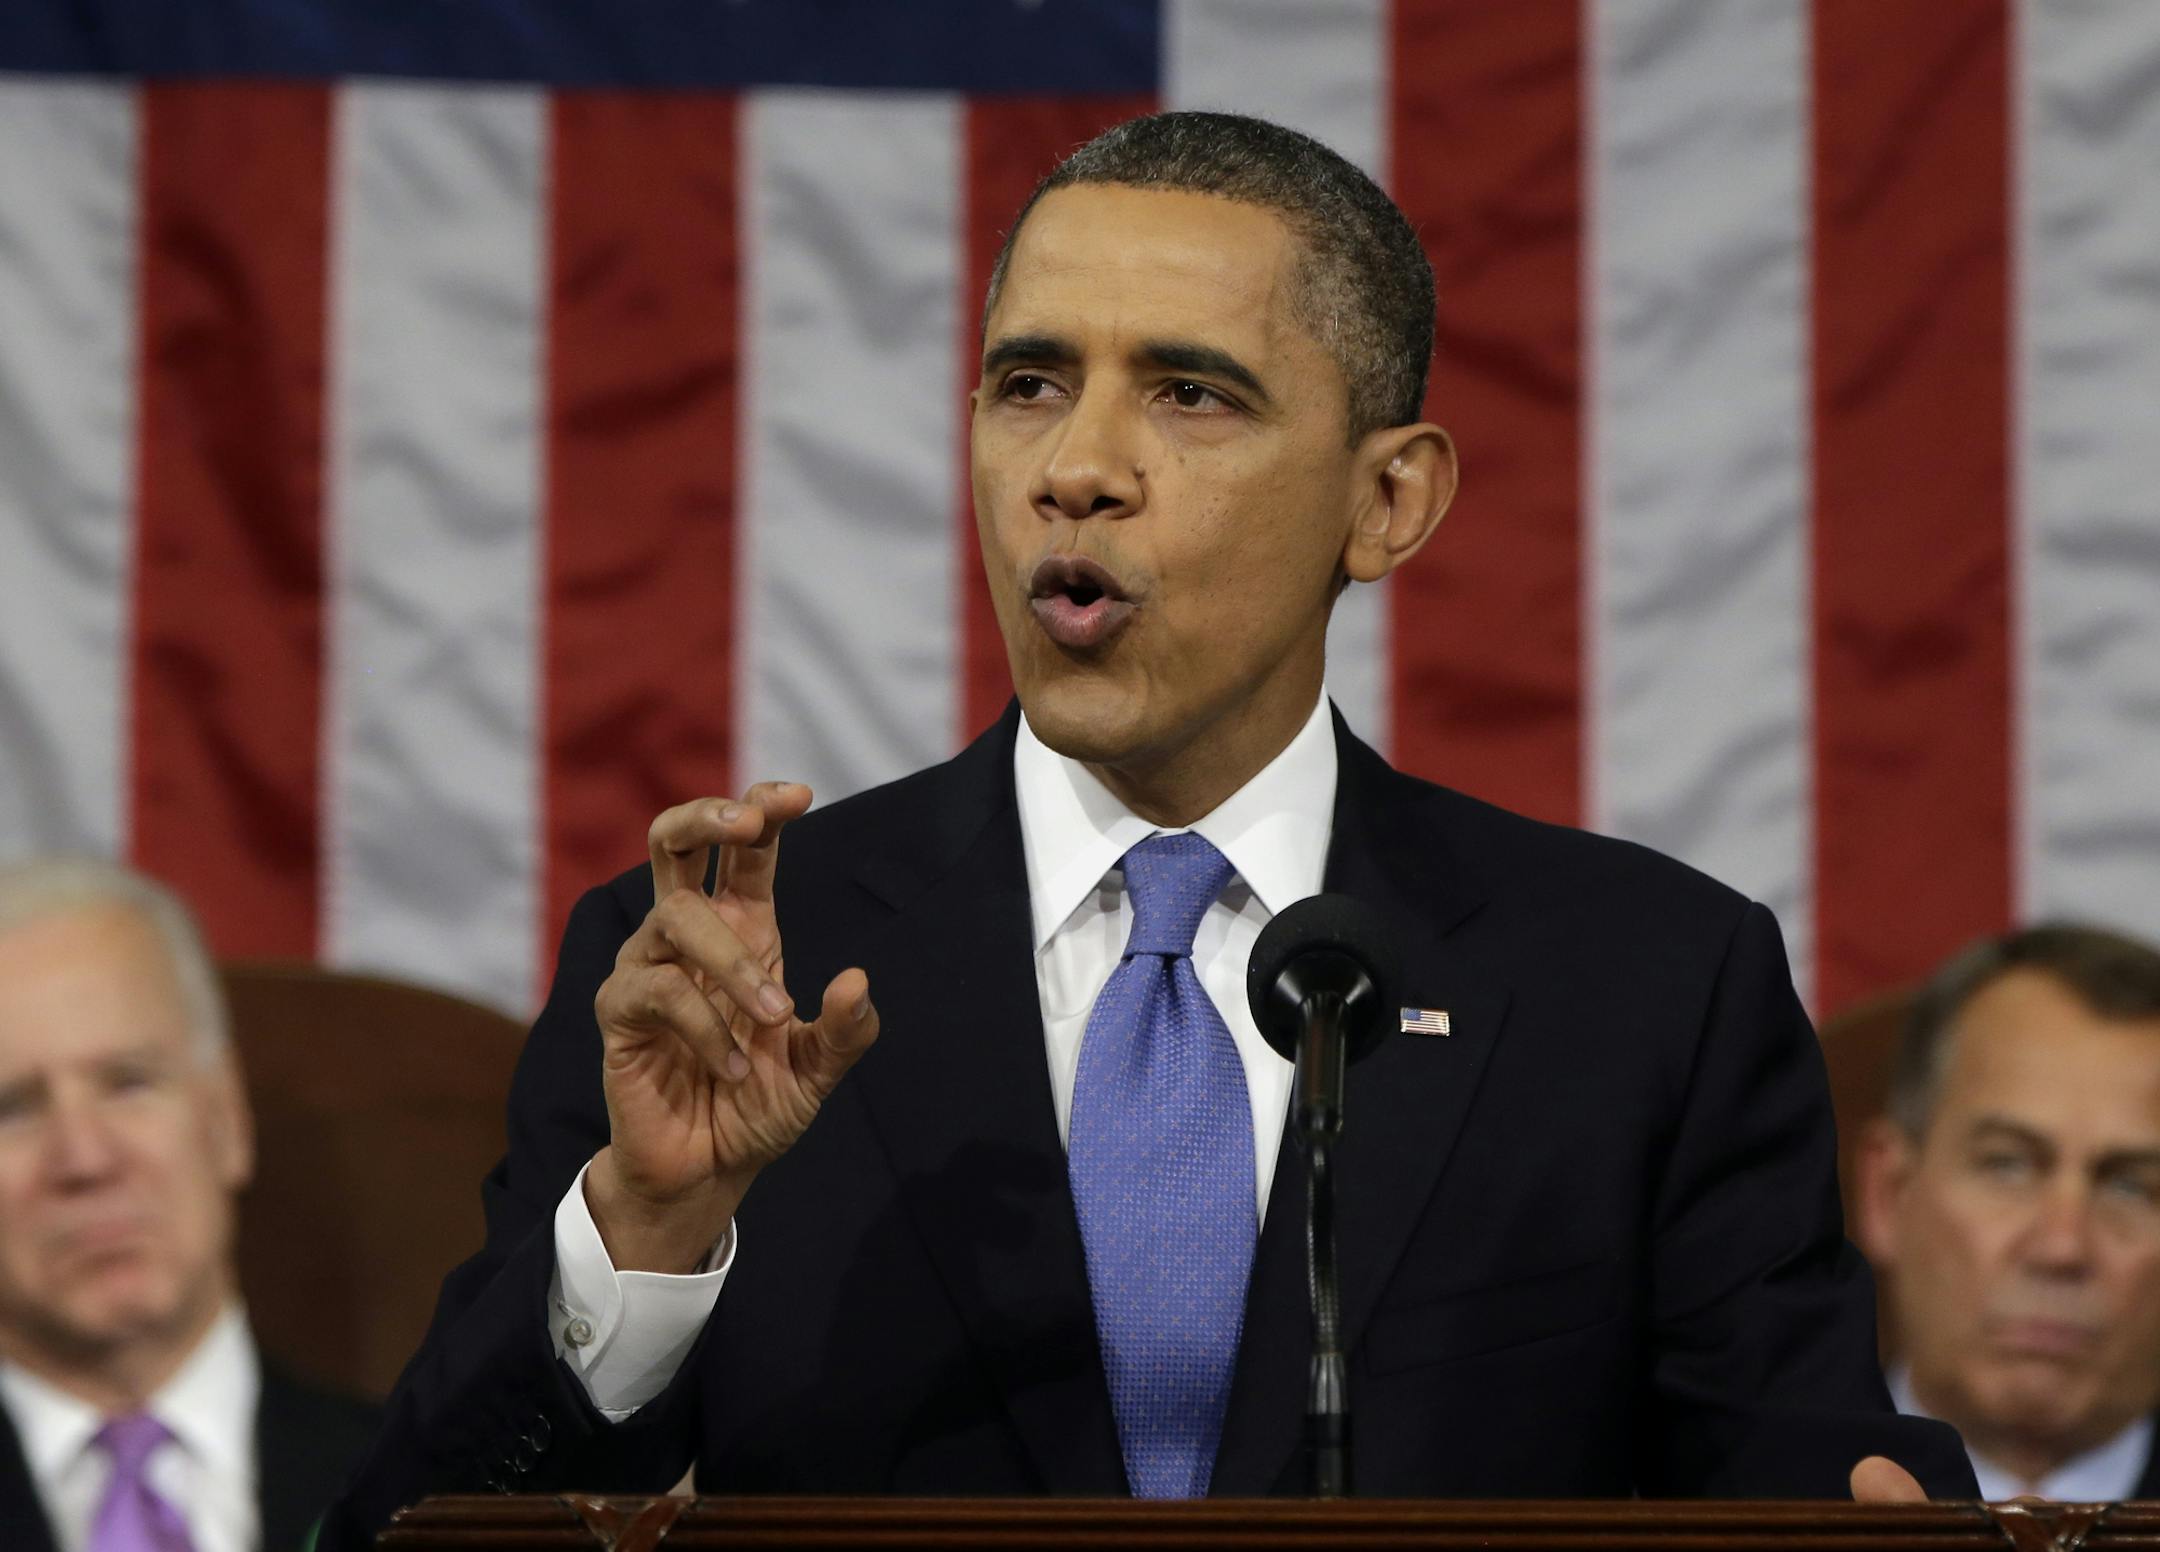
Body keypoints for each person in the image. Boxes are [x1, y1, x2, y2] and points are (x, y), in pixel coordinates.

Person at [321, 111, 1972, 1543]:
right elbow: (418, 1529)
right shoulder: (717, 970)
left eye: (1192, 394)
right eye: (1029, 382)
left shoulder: (1644, 992)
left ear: (1386, 499)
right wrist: (653, 1238)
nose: (1078, 467)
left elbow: (1807, 1494)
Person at [0, 859, 380, 1552]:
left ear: (227, 1119)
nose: (86, 1159)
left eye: (129, 1083)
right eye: (14, 1109)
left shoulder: (432, 1494)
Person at [1852, 924, 2160, 1500]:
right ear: (1890, 1195)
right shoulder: (1732, 1493)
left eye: (2131, 1190)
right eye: (2006, 1166)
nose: (2061, 1247)